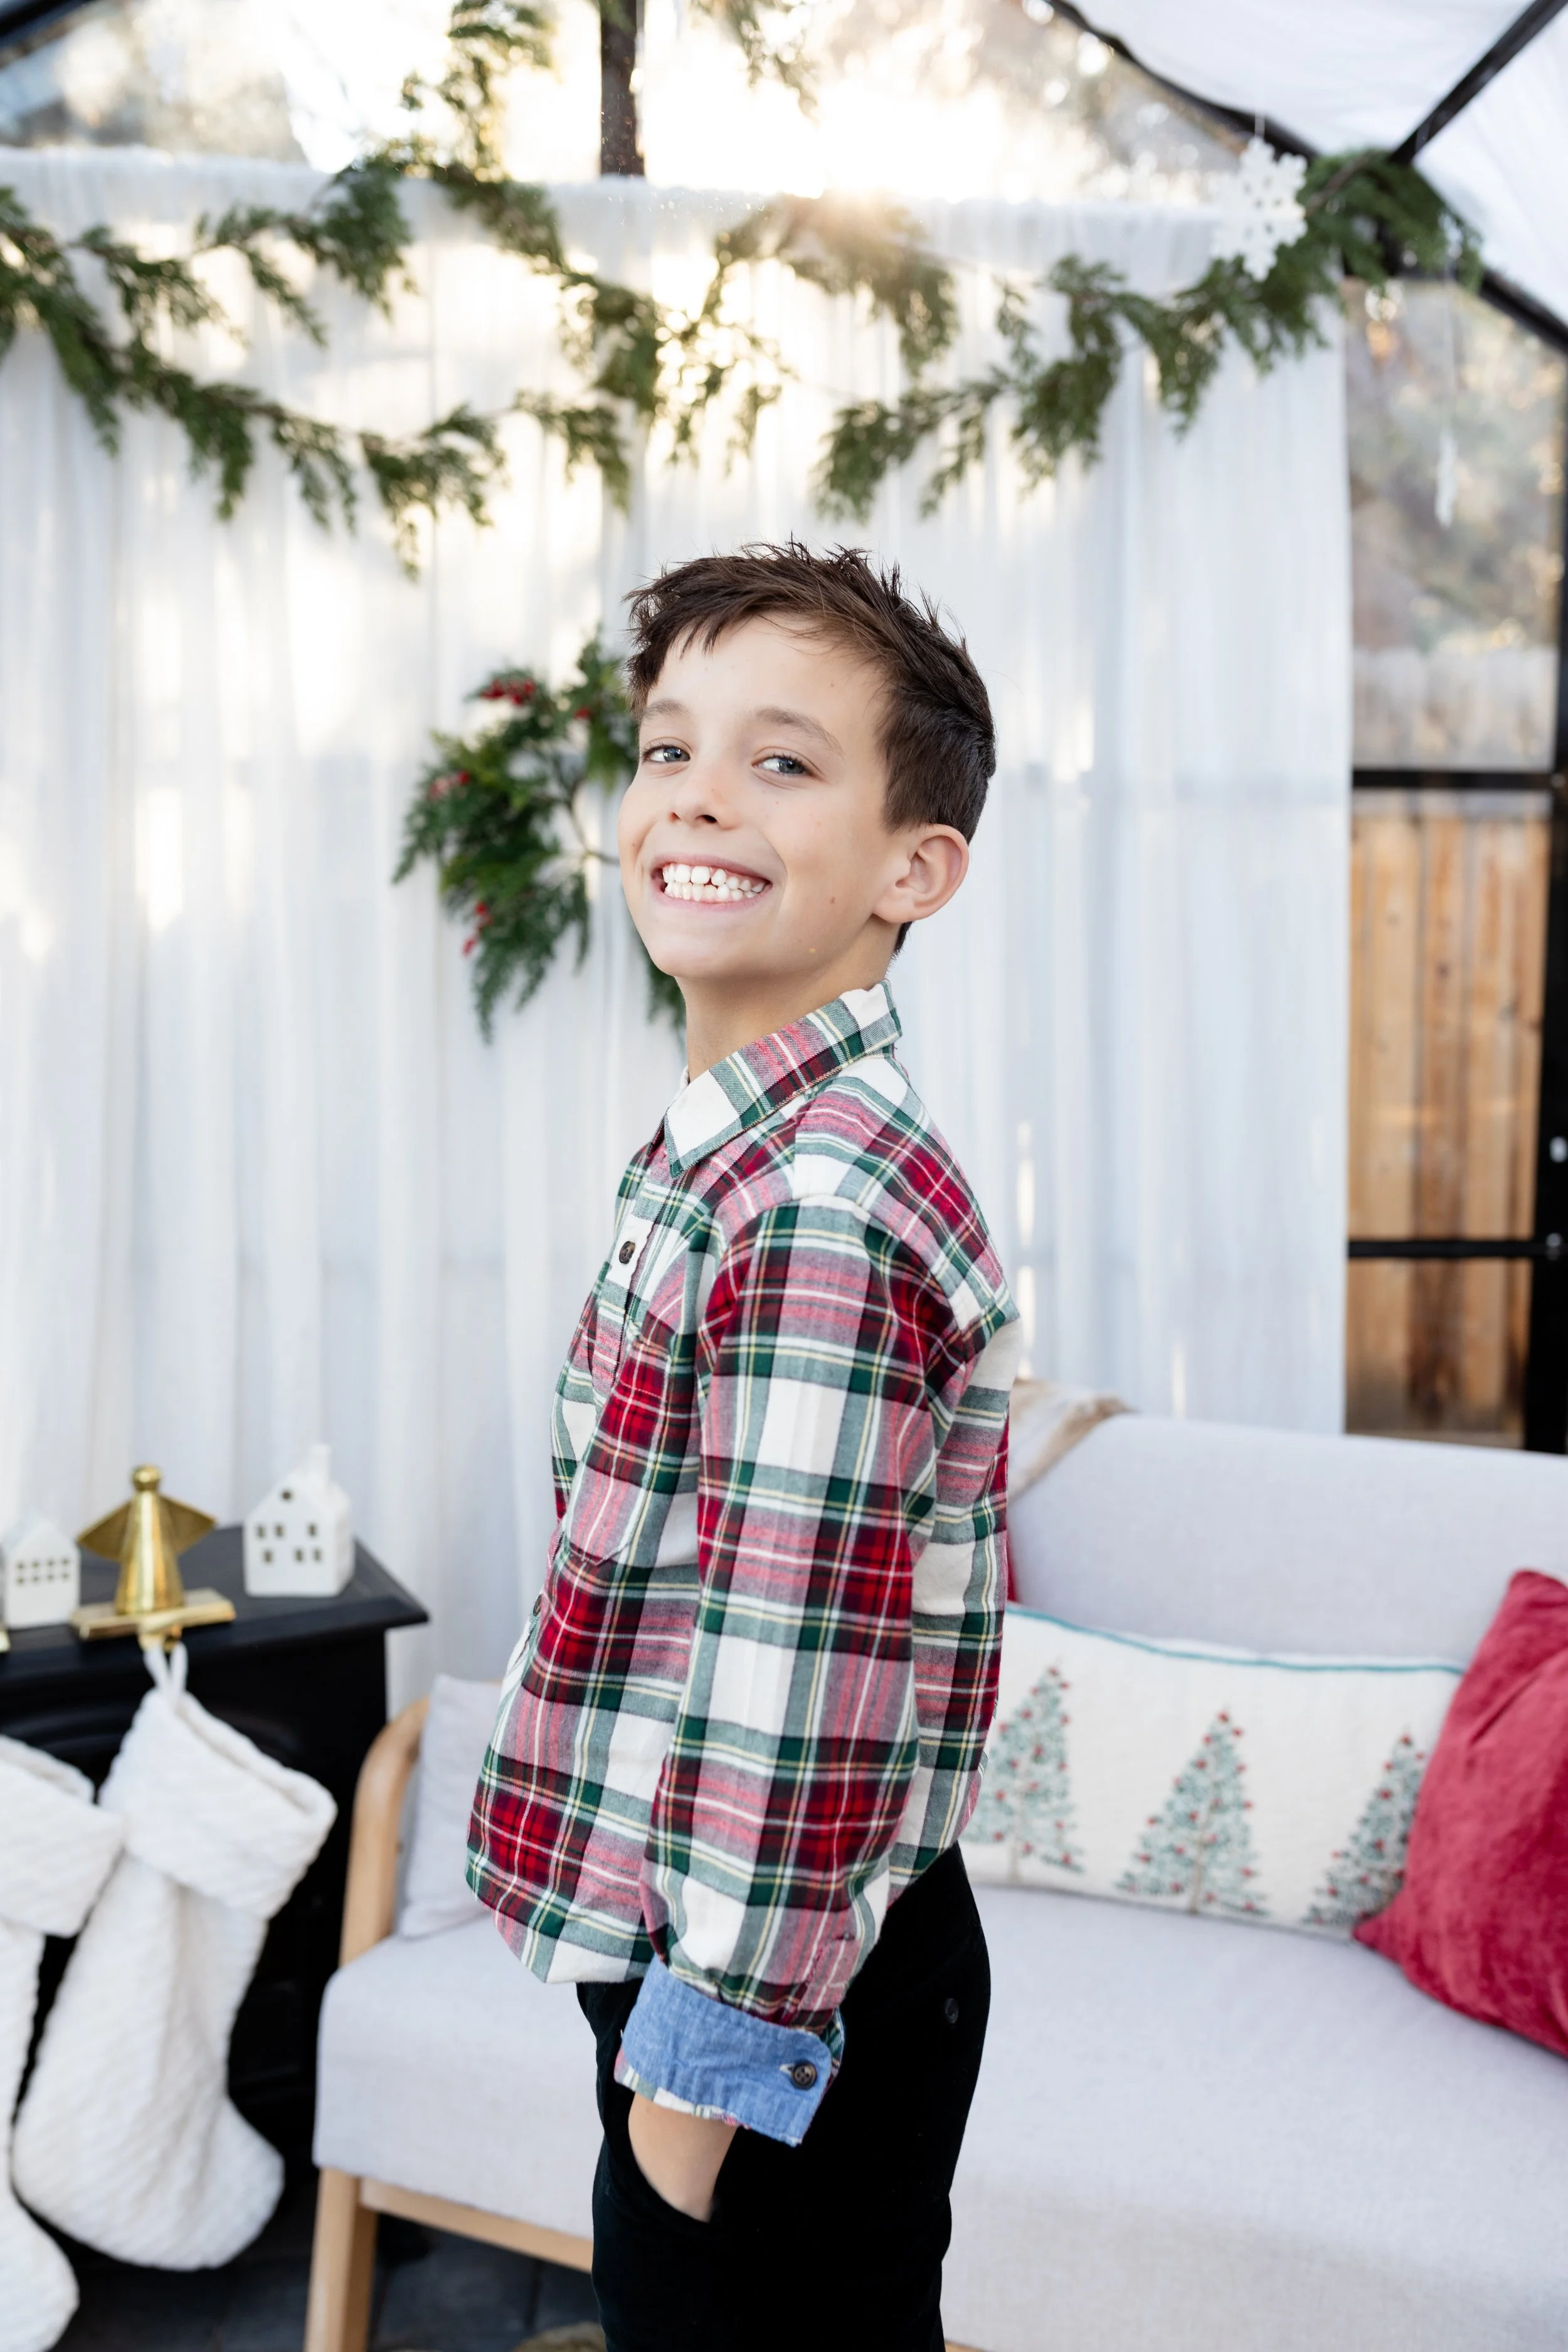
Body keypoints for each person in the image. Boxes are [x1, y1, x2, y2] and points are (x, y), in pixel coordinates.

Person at [468, 541, 1020, 2352]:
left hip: (770, 2018)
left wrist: (675, 2128)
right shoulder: (735, 1147)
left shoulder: (816, 1203)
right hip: (760, 1988)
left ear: (913, 867)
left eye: (781, 761)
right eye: (663, 748)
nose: (695, 794)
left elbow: (790, 1706)